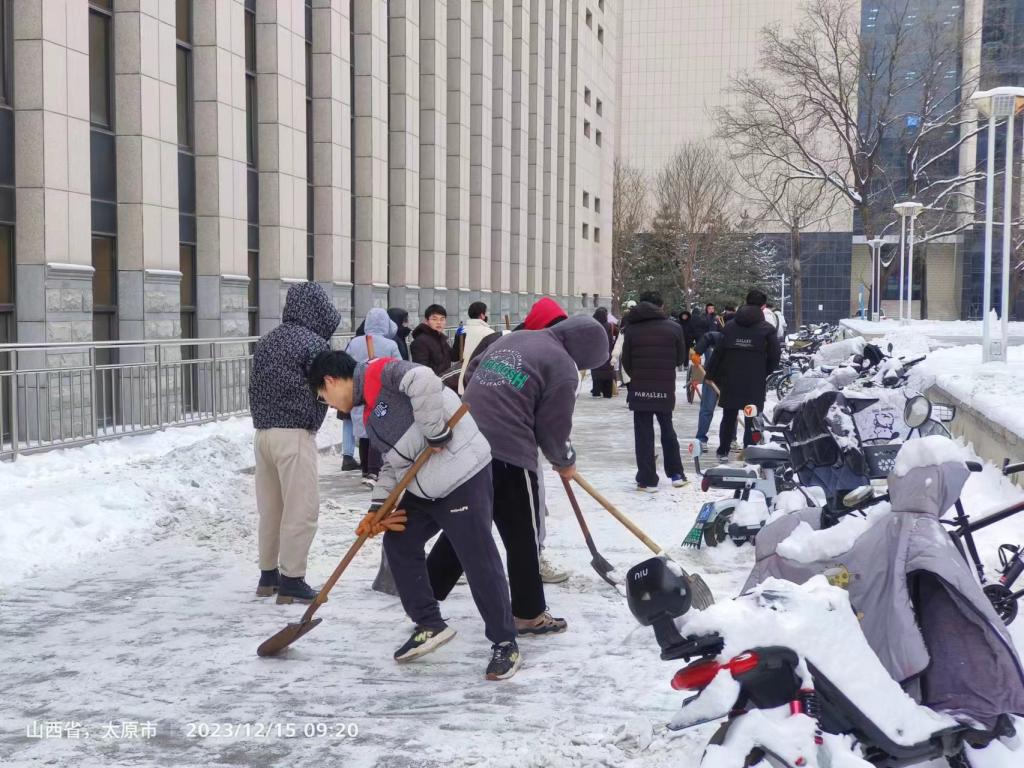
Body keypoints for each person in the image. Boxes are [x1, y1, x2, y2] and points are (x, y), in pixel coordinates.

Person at [308, 351, 522, 680]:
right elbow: (393, 466)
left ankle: (505, 642)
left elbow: (424, 379)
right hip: (425, 488)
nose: (330, 404)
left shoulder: (381, 373)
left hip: (461, 476)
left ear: (331, 381)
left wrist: (434, 430)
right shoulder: (371, 416)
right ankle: (429, 623)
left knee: (477, 557)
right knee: (399, 543)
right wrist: (377, 509)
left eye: (324, 397)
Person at [426, 314, 610, 635]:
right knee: (522, 535)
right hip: (508, 452)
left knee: (468, 525)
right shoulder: (563, 368)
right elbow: (553, 428)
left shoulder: (514, 338)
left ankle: (423, 595)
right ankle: (528, 614)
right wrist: (564, 459)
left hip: (466, 442)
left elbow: (471, 371)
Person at [249, 282, 340, 604]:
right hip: (294, 435)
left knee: (271, 510)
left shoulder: (267, 341)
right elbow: (327, 386)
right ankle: (292, 579)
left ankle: (268, 575)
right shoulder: (313, 344)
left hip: (263, 435)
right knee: (301, 509)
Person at [621, 291, 688, 492]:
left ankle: (647, 479)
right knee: (667, 429)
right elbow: (680, 359)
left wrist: (638, 375)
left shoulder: (631, 329)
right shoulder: (674, 328)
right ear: (661, 306)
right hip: (664, 387)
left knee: (643, 434)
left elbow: (627, 362)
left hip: (640, 387)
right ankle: (676, 474)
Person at [705, 289, 782, 462]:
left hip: (731, 379)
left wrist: (711, 374)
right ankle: (749, 453)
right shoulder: (767, 329)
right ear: (763, 306)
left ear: (746, 302)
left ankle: (723, 451)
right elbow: (775, 355)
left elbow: (718, 353)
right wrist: (764, 371)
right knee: (751, 417)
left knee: (729, 416)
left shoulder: (730, 326)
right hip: (754, 380)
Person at [346, 308, 401, 486]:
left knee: (363, 430)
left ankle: (365, 469)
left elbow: (346, 364)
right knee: (377, 428)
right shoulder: (390, 345)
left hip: (359, 390)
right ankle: (373, 470)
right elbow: (398, 367)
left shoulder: (354, 343)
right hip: (381, 392)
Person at [692, 327, 725, 449]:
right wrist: (697, 352)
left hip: (731, 379)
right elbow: (708, 336)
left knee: (731, 412)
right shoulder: (724, 336)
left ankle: (730, 440)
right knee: (707, 409)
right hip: (712, 377)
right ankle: (701, 439)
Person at [411, 304, 456, 380]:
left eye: (442, 319)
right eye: (434, 319)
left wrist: (459, 338)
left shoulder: (441, 338)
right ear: (426, 321)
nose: (439, 322)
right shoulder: (420, 342)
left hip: (444, 381)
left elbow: (453, 357)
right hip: (431, 384)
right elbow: (422, 370)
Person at [458, 301, 495, 394]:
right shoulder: (489, 332)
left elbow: (456, 354)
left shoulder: (462, 331)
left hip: (462, 376)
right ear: (482, 315)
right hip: (480, 377)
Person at [589, 307, 616, 398]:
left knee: (596, 372)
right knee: (608, 373)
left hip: (595, 353)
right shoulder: (610, 326)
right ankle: (607, 393)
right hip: (608, 352)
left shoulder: (592, 326)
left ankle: (596, 391)